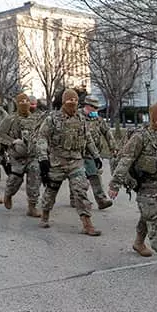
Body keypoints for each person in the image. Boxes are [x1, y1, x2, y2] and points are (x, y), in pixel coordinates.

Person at [109, 102, 157, 275]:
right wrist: (114, 184)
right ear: (154, 117)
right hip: (147, 184)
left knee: (149, 215)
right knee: (155, 217)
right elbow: (126, 160)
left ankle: (138, 242)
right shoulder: (141, 137)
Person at [36, 89, 103, 236]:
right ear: (63, 102)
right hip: (57, 162)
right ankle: (45, 214)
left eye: (75, 100)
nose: (72, 103)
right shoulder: (52, 119)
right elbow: (42, 138)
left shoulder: (81, 119)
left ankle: (87, 224)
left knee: (80, 191)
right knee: (51, 191)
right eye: (69, 100)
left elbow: (88, 138)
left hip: (76, 161)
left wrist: (96, 155)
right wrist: (43, 159)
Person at [0, 93, 42, 218]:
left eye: (26, 101)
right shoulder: (10, 119)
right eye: (21, 102)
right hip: (17, 156)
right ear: (17, 104)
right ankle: (8, 194)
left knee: (35, 177)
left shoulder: (35, 119)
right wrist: (12, 142)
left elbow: (42, 135)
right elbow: (0, 134)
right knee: (15, 179)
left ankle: (32, 206)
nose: (25, 104)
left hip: (32, 155)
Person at [79, 95, 116, 210]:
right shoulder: (77, 117)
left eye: (97, 108)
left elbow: (107, 133)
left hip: (93, 154)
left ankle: (100, 200)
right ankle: (79, 199)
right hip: (79, 153)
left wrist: (113, 147)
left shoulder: (98, 120)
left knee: (94, 176)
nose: (96, 110)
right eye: (94, 108)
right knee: (80, 178)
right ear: (87, 106)